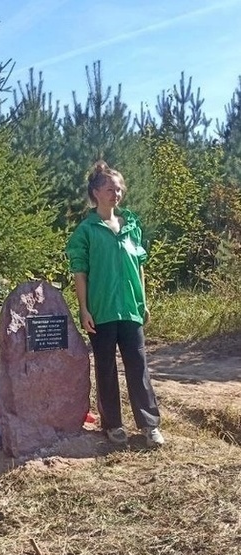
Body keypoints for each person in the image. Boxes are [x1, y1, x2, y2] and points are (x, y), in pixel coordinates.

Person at [65, 160, 164, 448]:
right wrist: (84, 309)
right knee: (106, 368)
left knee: (138, 367)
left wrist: (142, 301)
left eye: (119, 189)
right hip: (102, 311)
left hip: (130, 309)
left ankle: (149, 425)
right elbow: (80, 273)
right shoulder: (86, 230)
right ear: (95, 192)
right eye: (110, 188)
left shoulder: (131, 225)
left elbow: (140, 265)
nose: (116, 194)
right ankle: (113, 425)